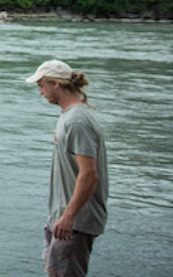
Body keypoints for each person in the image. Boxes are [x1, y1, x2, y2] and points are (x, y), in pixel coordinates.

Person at [26, 59, 108, 277]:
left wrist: (69, 216)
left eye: (41, 86)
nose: (41, 92)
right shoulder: (70, 117)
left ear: (55, 84)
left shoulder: (77, 121)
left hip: (74, 220)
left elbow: (89, 175)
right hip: (63, 216)